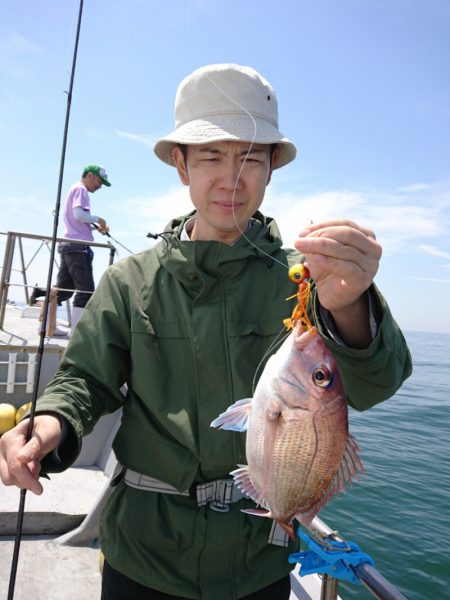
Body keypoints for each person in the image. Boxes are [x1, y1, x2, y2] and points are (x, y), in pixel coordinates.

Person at [0, 64, 412, 600]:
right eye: (211, 156)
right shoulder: (131, 281)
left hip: (258, 566)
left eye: (250, 158)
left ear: (271, 170)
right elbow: (84, 379)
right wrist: (50, 423)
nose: (231, 179)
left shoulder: (307, 281)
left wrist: (351, 303)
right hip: (143, 556)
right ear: (181, 164)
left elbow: (375, 385)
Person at [35, 164, 111, 336]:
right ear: (90, 176)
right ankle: (77, 333)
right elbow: (79, 215)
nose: (100, 186)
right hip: (77, 249)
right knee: (85, 290)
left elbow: (77, 222)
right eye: (100, 182)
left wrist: (94, 228)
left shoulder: (75, 189)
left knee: (63, 289)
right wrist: (99, 219)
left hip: (68, 245)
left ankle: (45, 326)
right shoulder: (81, 189)